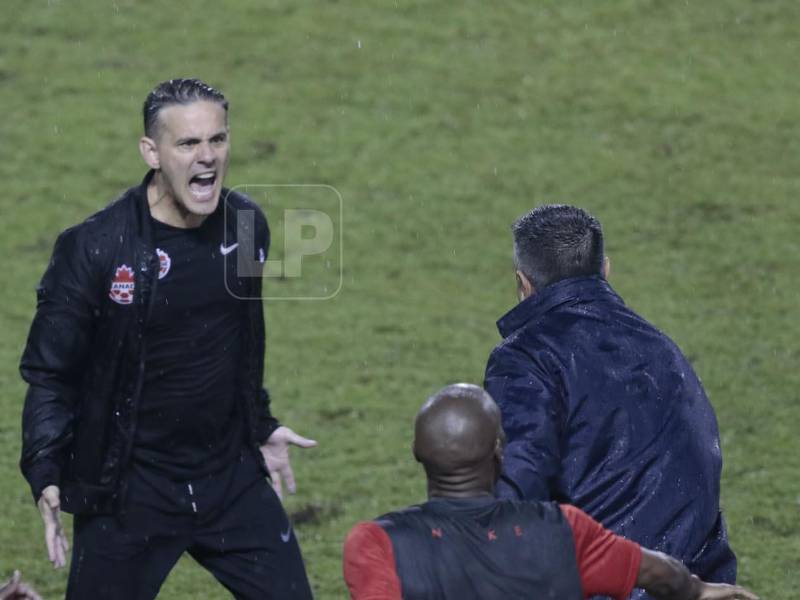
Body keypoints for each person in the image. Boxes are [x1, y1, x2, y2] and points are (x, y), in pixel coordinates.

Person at [20, 79, 315, 599]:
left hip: (229, 482)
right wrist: (45, 467)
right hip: (131, 493)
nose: (207, 158)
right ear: (151, 152)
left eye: (217, 140)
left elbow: (241, 339)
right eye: (188, 144)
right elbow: (51, 372)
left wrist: (260, 422)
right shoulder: (94, 248)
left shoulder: (246, 224)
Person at [483, 204, 737, 595]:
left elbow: (518, 492)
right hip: (697, 580)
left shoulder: (524, 358)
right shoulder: (661, 348)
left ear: (523, 284)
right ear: (605, 270)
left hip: (609, 584)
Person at [343, 384, 757, 600]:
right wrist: (699, 590)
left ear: (417, 452)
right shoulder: (564, 531)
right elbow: (660, 573)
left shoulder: (375, 544)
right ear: (499, 453)